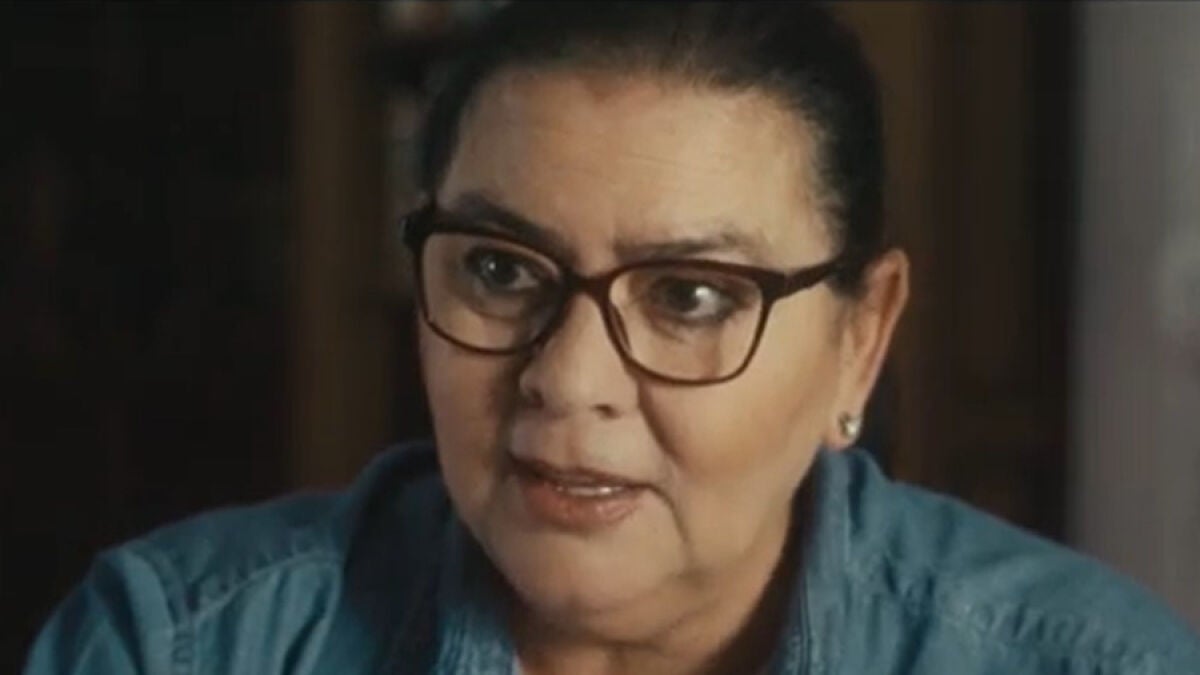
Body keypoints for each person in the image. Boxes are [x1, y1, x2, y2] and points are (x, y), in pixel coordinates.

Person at [24, 3, 1200, 673]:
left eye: (691, 295)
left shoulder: (1089, 666)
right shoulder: (181, 646)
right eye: (499, 270)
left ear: (861, 339)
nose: (568, 379)